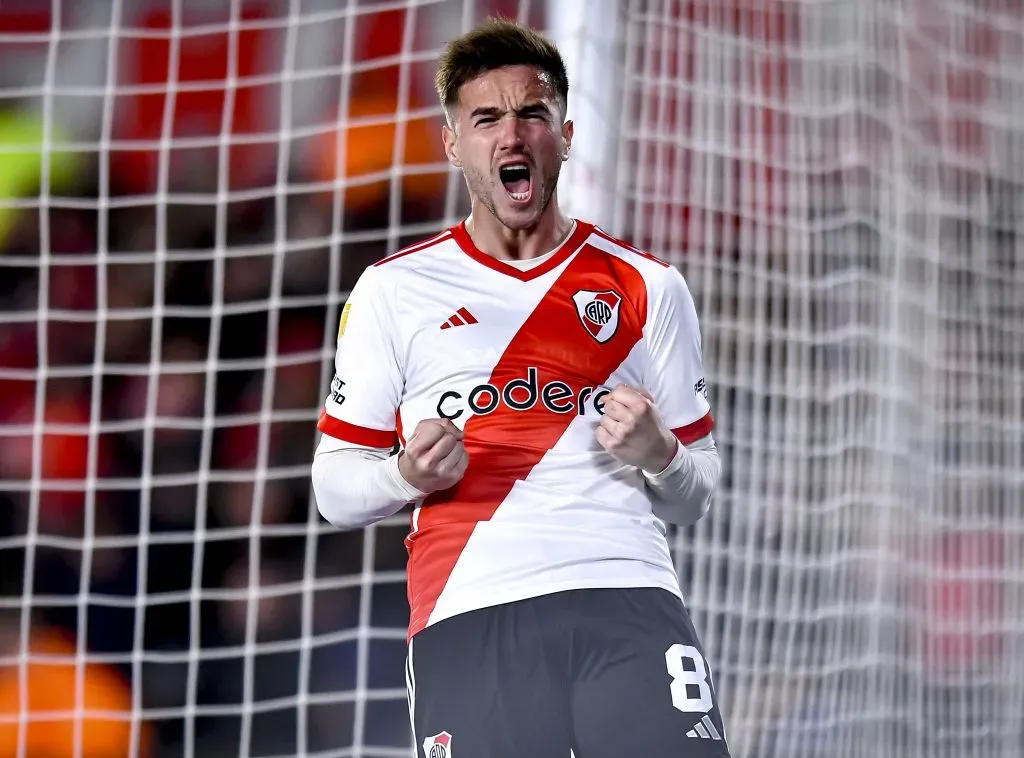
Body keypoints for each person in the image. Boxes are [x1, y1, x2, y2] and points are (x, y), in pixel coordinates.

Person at [311, 17, 729, 758]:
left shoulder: (649, 286)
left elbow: (695, 495)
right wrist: (405, 473)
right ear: (453, 143)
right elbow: (334, 492)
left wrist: (659, 451)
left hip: (625, 596)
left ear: (564, 135)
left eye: (532, 113)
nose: (512, 135)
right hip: (471, 609)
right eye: (486, 118)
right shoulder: (393, 290)